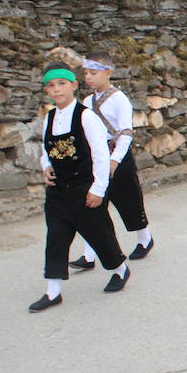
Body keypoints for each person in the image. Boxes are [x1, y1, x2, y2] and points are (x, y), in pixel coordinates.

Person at [30, 68, 130, 311]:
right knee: (55, 239)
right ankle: (53, 291)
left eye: (62, 83)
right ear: (47, 90)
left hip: (83, 187)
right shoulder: (49, 117)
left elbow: (100, 154)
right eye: (51, 85)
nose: (57, 89)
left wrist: (98, 189)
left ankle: (120, 268)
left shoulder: (86, 116)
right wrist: (46, 166)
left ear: (74, 85)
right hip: (57, 190)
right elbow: (45, 149)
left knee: (99, 235)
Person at [66, 52, 154, 273]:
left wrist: (115, 159)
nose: (88, 77)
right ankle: (89, 254)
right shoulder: (87, 101)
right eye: (86, 73)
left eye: (93, 73)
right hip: (97, 157)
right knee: (94, 206)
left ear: (108, 72)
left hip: (118, 156)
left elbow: (125, 132)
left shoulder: (119, 99)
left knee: (129, 199)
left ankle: (144, 238)